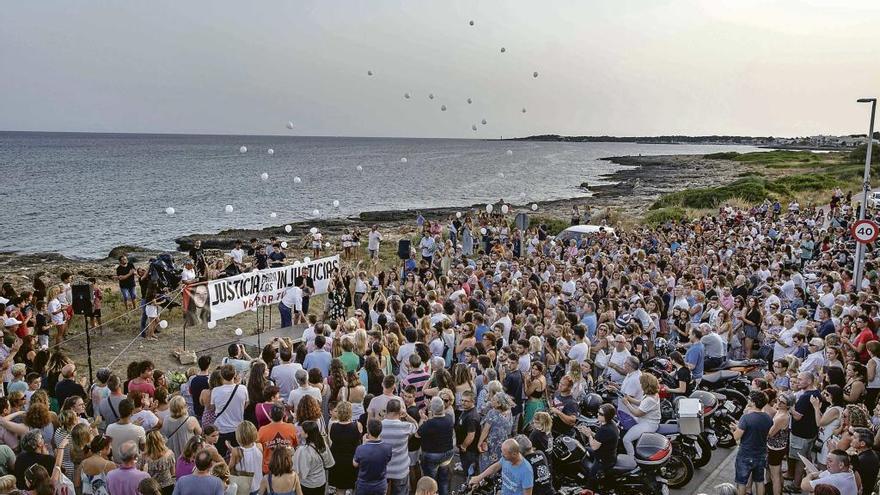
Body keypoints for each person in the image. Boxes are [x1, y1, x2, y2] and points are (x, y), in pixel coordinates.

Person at [732, 391, 773, 495]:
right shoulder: (768, 418)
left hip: (745, 453)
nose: (748, 400)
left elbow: (736, 437)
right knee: (759, 481)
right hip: (761, 453)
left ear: (754, 402)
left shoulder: (746, 418)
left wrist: (733, 430)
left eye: (750, 399)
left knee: (741, 483)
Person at [418, 396, 456, 495]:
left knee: (431, 483)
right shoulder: (449, 418)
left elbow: (417, 434)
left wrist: (422, 419)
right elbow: (435, 422)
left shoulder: (430, 424)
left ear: (432, 409)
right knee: (443, 480)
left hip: (432, 455)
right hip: (447, 453)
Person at [469, 439, 533, 495]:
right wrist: (479, 477)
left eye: (504, 454)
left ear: (514, 454)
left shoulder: (526, 471)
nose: (502, 455)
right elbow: (496, 467)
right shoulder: (506, 459)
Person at [211, 364, 249, 458]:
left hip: (221, 428)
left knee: (221, 457)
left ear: (221, 375)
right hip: (237, 428)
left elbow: (213, 407)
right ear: (234, 374)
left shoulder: (215, 391)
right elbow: (246, 403)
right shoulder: (242, 389)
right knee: (239, 456)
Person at [380, 399, 417, 495]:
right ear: (399, 412)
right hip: (401, 469)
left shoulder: (379, 426)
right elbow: (416, 425)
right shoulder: (405, 426)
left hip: (384, 468)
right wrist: (406, 415)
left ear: (386, 410)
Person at [620, 374, 661, 457]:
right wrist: (628, 397)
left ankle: (631, 459)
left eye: (641, 383)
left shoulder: (649, 400)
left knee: (626, 439)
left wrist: (627, 404)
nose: (640, 385)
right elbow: (640, 403)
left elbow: (637, 413)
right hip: (645, 420)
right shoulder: (653, 395)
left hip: (648, 424)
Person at [292, 420, 334, 495]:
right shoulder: (322, 444)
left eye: (302, 431)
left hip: (308, 484)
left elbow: (301, 471)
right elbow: (329, 463)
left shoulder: (303, 450)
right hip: (321, 481)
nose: (300, 432)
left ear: (307, 434)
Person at [329, 401, 363, 495]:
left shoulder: (333, 426)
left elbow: (331, 440)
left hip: (337, 461)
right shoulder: (357, 426)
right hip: (352, 461)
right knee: (353, 487)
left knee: (340, 489)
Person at [353, 419, 393, 495]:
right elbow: (387, 460)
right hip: (380, 484)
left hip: (364, 485)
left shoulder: (361, 448)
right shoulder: (388, 448)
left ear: (368, 431)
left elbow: (355, 464)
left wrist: (364, 444)